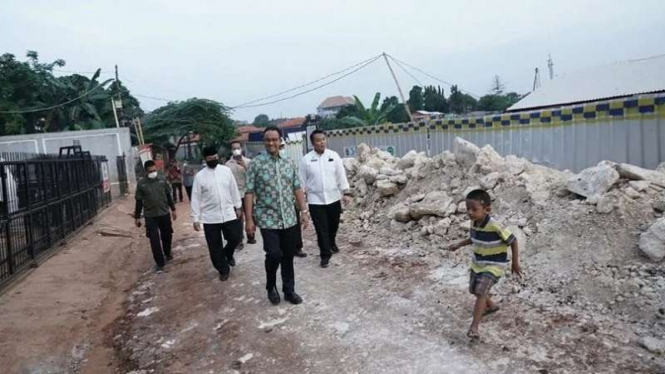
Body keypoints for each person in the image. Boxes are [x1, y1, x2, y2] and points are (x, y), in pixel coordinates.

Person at [245, 126, 309, 305]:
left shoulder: (289, 162)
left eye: (274, 139)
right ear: (263, 142)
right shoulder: (256, 164)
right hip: (267, 218)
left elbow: (297, 187)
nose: (271, 143)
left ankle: (289, 290)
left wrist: (304, 211)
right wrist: (249, 219)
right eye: (267, 140)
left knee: (288, 255)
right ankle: (270, 286)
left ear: (280, 141)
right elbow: (249, 192)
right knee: (273, 254)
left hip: (289, 217)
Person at [445, 189, 521, 340]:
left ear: (487, 210)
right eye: (468, 209)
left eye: (474, 209)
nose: (470, 212)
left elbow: (513, 241)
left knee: (480, 292)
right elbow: (473, 239)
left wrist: (515, 263)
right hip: (478, 263)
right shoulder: (474, 224)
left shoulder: (494, 226)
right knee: (474, 290)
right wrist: (458, 244)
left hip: (494, 265)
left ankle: (474, 327)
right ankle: (491, 306)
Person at [191, 146, 243, 282]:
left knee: (236, 237)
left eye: (215, 158)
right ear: (205, 160)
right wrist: (195, 218)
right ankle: (223, 269)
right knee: (214, 247)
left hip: (228, 213)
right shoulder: (200, 176)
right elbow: (195, 198)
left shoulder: (226, 171)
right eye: (210, 159)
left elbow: (233, 189)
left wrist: (238, 206)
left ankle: (228, 253)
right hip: (210, 217)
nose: (213, 160)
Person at [299, 130, 351, 268]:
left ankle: (331, 241)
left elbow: (341, 175)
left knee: (333, 225)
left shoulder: (333, 156)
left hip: (333, 198)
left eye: (323, 139)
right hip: (316, 200)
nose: (321, 142)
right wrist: (302, 203)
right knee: (321, 229)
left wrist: (346, 192)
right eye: (318, 140)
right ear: (312, 143)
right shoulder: (306, 160)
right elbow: (301, 183)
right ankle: (325, 255)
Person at [134, 160, 177, 272]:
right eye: (150, 171)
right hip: (150, 216)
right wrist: (137, 217)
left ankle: (167, 253)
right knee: (154, 240)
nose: (153, 172)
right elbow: (138, 201)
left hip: (164, 213)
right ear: (146, 172)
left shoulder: (162, 180)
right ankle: (159, 262)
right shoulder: (142, 184)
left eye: (154, 170)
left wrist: (173, 209)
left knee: (167, 235)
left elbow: (168, 195)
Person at [225, 140, 255, 248]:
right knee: (238, 217)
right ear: (231, 150)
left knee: (249, 214)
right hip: (235, 194)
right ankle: (239, 240)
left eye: (238, 148)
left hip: (248, 193)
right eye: (234, 148)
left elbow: (253, 176)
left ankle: (251, 235)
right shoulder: (227, 165)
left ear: (241, 148)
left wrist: (244, 165)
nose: (236, 150)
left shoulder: (248, 162)